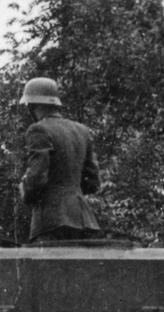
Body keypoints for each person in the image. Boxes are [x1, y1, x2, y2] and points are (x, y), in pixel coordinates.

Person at [17, 76, 101, 241]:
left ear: (32, 105)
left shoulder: (38, 129)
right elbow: (93, 182)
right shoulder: (82, 130)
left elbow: (37, 177)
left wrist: (25, 189)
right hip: (84, 219)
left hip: (51, 221)